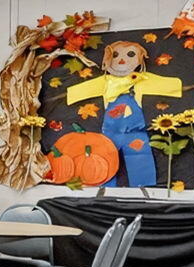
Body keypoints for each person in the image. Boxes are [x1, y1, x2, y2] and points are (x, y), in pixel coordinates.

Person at [65, 39, 181, 187]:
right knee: (105, 160)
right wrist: (72, 94)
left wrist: (177, 86)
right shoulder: (106, 82)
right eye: (116, 55)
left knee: (140, 158)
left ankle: (144, 189)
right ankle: (104, 188)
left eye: (130, 54)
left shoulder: (141, 80)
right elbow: (78, 91)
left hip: (135, 132)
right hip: (110, 133)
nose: (121, 59)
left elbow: (169, 84)